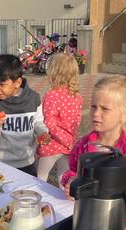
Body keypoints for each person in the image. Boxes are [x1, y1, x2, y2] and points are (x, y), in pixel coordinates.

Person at [61, 75, 126, 208]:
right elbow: (72, 170)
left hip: (114, 219)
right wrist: (70, 181)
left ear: (125, 115)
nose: (96, 113)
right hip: (80, 211)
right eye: (94, 106)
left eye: (105, 109)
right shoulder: (83, 145)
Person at [0, 54, 51, 176]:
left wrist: (42, 132)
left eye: (2, 84)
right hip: (1, 164)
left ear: (17, 82)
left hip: (27, 163)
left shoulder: (33, 99)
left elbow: (37, 122)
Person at [37, 54, 83, 183]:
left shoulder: (52, 95)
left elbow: (49, 122)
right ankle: (64, 202)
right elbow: (77, 121)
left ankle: (40, 200)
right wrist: (69, 140)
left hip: (52, 144)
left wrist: (61, 139)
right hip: (69, 144)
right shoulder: (77, 96)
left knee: (41, 177)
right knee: (63, 179)